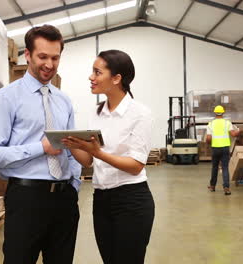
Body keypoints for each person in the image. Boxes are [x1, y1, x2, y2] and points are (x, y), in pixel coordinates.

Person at [0, 25, 81, 264]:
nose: (49, 64)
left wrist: (74, 184)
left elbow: (72, 150)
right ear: (28, 55)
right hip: (27, 199)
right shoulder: (5, 98)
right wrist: (40, 148)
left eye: (55, 58)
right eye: (42, 56)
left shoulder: (63, 101)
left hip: (65, 200)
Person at [62, 50, 155, 264]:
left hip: (131, 200)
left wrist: (98, 153)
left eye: (97, 72)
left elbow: (135, 166)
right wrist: (68, 143)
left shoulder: (140, 114)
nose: (91, 77)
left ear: (116, 78)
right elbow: (87, 161)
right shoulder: (98, 112)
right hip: (102, 200)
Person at [206, 105, 239, 195]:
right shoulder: (227, 123)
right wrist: (238, 131)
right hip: (225, 148)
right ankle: (226, 188)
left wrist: (209, 144)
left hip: (215, 148)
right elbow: (233, 134)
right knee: (225, 168)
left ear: (215, 113)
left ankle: (212, 186)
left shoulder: (211, 124)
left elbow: (208, 139)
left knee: (214, 167)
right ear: (223, 113)